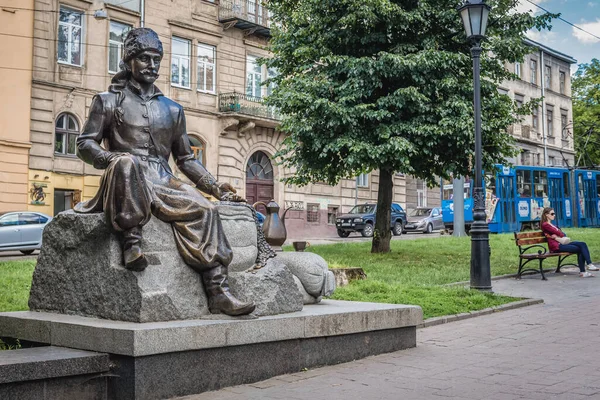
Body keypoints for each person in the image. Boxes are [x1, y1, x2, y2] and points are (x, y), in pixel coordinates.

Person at [74, 28, 255, 315]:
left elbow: (185, 159)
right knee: (126, 163)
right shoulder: (107, 101)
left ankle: (218, 290)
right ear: (129, 60)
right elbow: (85, 143)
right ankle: (131, 243)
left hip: (162, 179)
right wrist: (108, 158)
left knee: (206, 210)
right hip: (124, 176)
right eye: (144, 58)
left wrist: (216, 188)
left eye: (157, 59)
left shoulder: (172, 109)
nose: (152, 65)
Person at [540, 207, 598, 278]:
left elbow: (563, 234)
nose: (554, 215)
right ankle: (583, 271)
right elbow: (560, 233)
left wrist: (558, 234)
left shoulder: (553, 225)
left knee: (582, 244)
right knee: (580, 249)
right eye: (552, 214)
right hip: (556, 246)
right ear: (546, 215)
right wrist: (558, 233)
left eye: (554, 214)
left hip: (562, 243)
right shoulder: (545, 225)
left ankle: (589, 264)